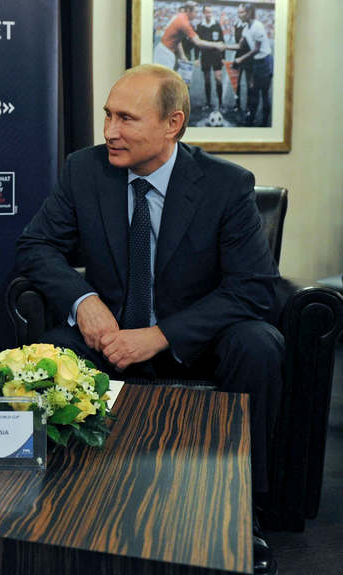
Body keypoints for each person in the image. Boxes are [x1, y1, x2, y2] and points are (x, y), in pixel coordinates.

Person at [16, 64, 281, 573]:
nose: (110, 132)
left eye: (127, 119)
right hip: (107, 333)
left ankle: (244, 510)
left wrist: (160, 336)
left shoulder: (226, 186)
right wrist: (83, 300)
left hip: (197, 336)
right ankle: (50, 508)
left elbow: (253, 288)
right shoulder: (84, 170)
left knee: (259, 344)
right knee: (46, 355)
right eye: (108, 116)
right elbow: (37, 245)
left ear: (172, 124)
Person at [230, 3, 273, 126]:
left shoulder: (257, 26)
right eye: (239, 12)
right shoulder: (245, 28)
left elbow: (256, 49)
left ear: (249, 13)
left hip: (265, 62)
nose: (239, 14)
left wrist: (240, 59)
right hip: (256, 63)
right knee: (253, 91)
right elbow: (239, 46)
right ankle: (251, 118)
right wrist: (222, 47)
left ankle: (265, 122)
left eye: (242, 12)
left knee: (264, 93)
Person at [153, 1, 225, 71]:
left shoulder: (180, 16)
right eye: (195, 12)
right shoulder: (184, 23)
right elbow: (198, 42)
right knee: (164, 80)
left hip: (164, 51)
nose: (197, 14)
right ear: (188, 11)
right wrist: (215, 44)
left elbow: (178, 40)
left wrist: (182, 55)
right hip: (165, 53)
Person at [196, 5, 225, 110]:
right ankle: (208, 103)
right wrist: (196, 57)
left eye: (210, 12)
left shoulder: (217, 25)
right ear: (204, 13)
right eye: (207, 12)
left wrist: (223, 57)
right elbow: (197, 43)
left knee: (218, 79)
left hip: (216, 56)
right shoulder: (200, 26)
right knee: (207, 80)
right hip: (205, 56)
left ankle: (221, 103)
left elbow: (222, 41)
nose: (209, 14)